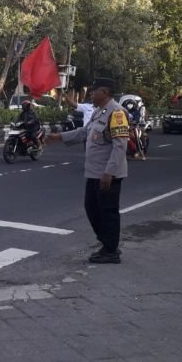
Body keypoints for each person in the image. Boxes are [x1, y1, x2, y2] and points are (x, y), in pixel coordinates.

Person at [46, 78, 129, 265]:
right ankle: (107, 243)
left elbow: (120, 145)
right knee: (91, 208)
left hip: (107, 174)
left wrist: (110, 173)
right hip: (93, 173)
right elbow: (84, 133)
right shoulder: (99, 112)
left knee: (108, 212)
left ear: (105, 93)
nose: (91, 94)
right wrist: (59, 136)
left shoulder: (116, 113)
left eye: (94, 91)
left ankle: (111, 250)